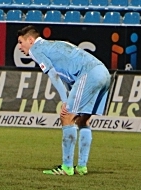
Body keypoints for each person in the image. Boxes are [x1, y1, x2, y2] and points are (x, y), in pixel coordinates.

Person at [16, 26, 110, 175]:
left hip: (89, 74)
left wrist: (65, 100)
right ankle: (81, 167)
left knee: (66, 116)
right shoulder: (55, 44)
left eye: (21, 42)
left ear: (30, 40)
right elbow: (67, 72)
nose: (19, 47)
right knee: (83, 120)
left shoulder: (36, 49)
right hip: (104, 72)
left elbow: (53, 75)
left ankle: (66, 167)